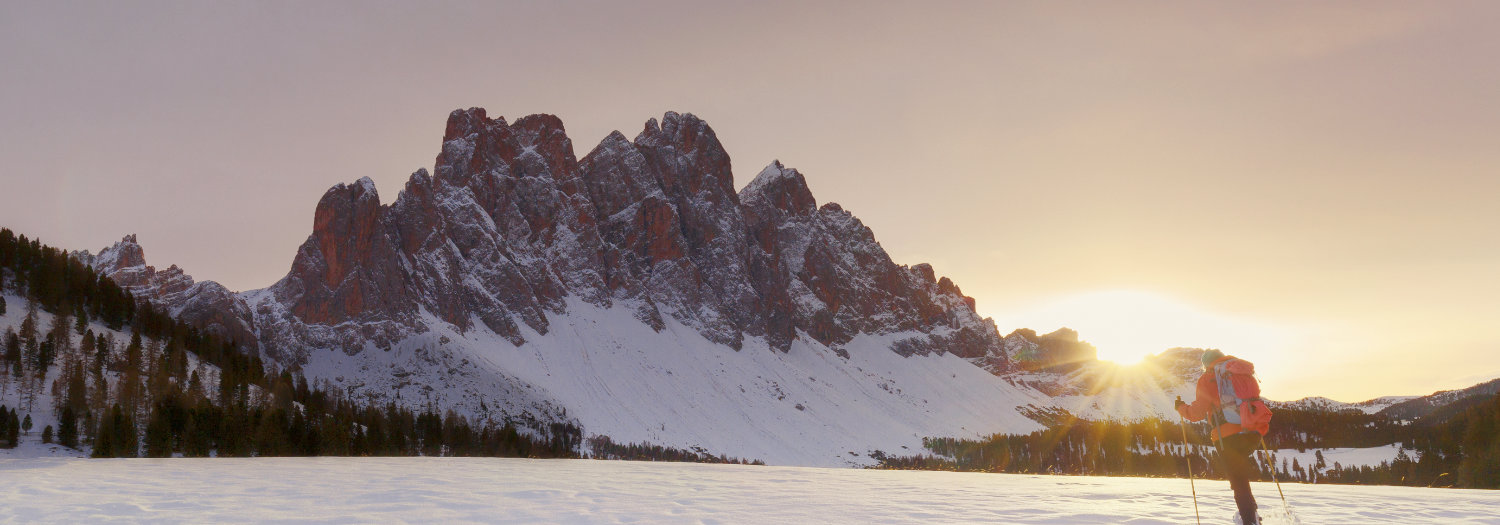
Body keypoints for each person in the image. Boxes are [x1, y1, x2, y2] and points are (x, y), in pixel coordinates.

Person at [1176, 349, 1270, 525]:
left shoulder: (1208, 378)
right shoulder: (1240, 372)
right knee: (1240, 478)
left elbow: (1196, 413)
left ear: (1206, 364)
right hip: (1252, 431)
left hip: (1228, 436)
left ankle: (1249, 520)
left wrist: (1181, 408)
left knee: (1238, 480)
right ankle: (1252, 515)